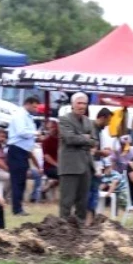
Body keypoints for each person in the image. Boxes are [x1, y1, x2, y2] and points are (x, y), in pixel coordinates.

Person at [57, 92, 96, 221]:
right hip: (70, 166)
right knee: (66, 202)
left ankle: (80, 230)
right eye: (79, 103)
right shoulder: (64, 119)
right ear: (72, 105)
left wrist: (82, 139)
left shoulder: (89, 122)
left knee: (83, 202)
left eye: (84, 103)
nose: (82, 106)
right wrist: (85, 138)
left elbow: (94, 141)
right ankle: (62, 229)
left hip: (86, 166)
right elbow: (69, 139)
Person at [6, 96, 41, 216]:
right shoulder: (20, 116)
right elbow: (22, 132)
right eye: (35, 106)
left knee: (21, 181)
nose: (36, 109)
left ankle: (19, 207)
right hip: (17, 150)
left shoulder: (27, 117)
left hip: (23, 151)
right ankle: (16, 209)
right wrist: (36, 133)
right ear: (28, 104)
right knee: (17, 181)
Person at [40, 119, 60, 200]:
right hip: (49, 167)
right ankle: (46, 188)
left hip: (60, 165)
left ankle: (47, 187)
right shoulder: (46, 141)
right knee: (63, 174)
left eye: (51, 128)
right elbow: (46, 157)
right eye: (48, 128)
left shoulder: (60, 140)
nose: (49, 130)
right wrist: (57, 165)